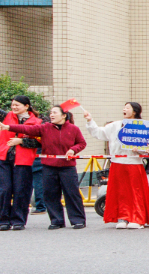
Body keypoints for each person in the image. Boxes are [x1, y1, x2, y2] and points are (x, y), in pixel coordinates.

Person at [0, 106, 87, 230]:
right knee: (50, 194)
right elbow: (26, 128)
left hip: (67, 167)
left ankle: (78, 220)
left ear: (63, 116)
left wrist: (73, 150)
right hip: (48, 167)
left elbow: (82, 143)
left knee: (72, 193)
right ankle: (56, 221)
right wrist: (8, 127)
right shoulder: (45, 128)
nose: (51, 115)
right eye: (51, 113)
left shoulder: (73, 129)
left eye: (55, 113)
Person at [84, 102, 149, 229]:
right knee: (120, 192)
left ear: (135, 111)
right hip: (117, 163)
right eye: (124, 107)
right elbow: (99, 133)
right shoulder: (115, 125)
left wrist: (140, 150)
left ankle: (137, 218)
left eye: (128, 107)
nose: (124, 109)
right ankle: (123, 217)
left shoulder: (142, 126)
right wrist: (90, 121)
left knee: (135, 192)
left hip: (133, 162)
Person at [0, 95, 42, 231]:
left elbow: (39, 142)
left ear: (26, 106)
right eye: (12, 104)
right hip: (4, 158)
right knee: (4, 189)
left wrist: (21, 141)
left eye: (17, 105)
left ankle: (18, 220)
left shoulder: (37, 122)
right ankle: (3, 220)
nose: (14, 107)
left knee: (21, 190)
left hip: (23, 160)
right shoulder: (5, 116)